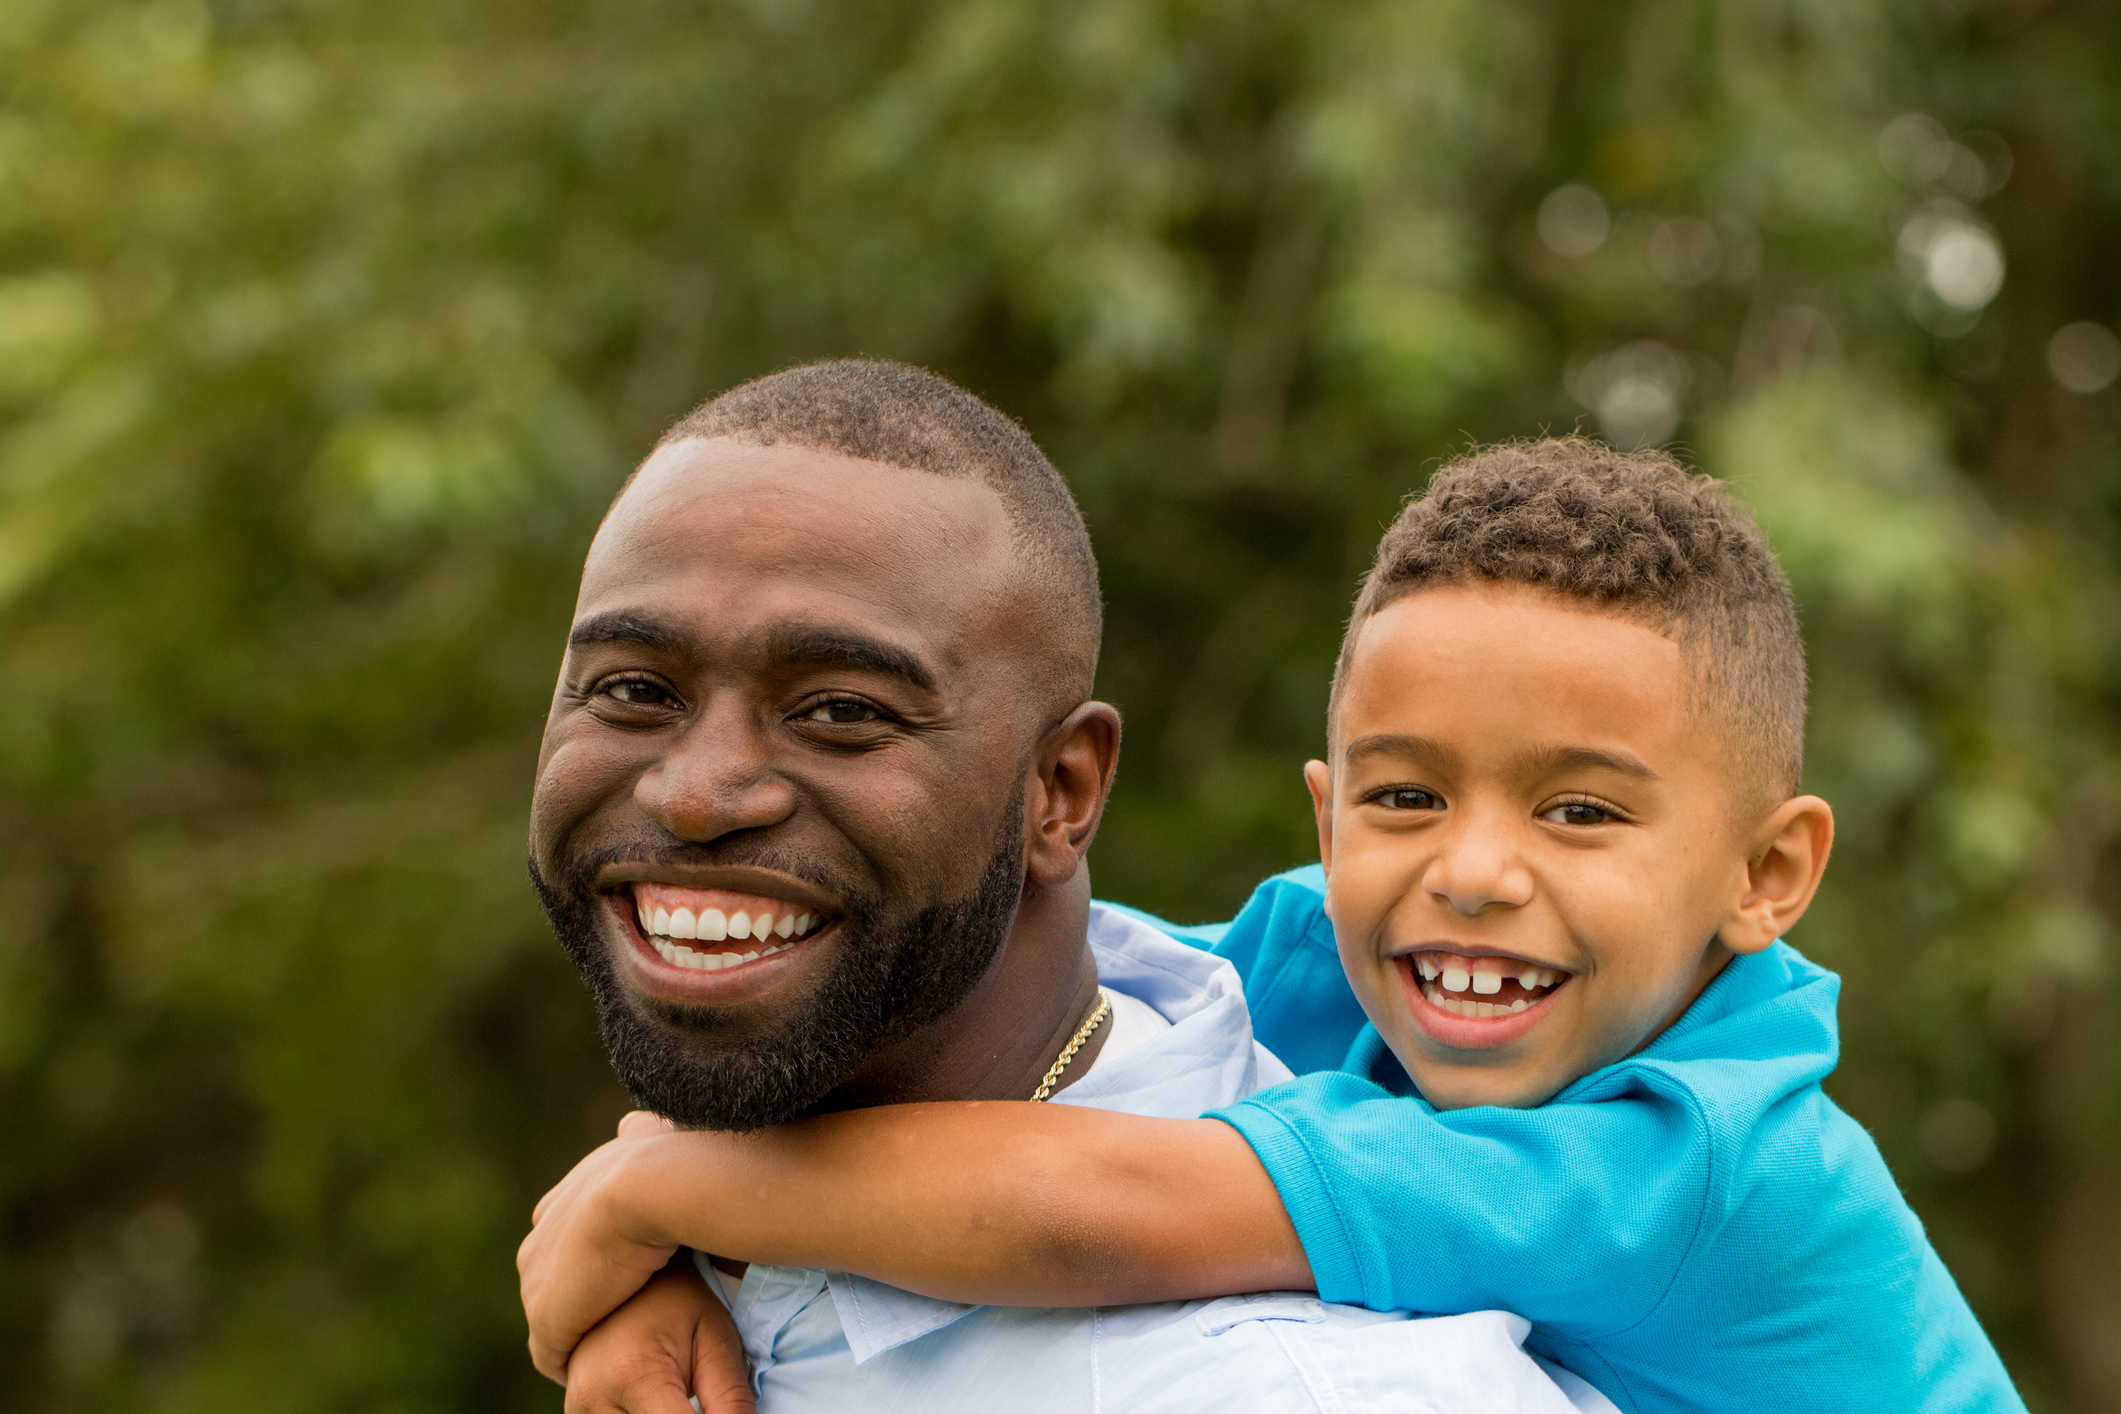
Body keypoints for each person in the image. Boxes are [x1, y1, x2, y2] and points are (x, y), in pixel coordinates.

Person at [520, 437, 2028, 1413]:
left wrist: (647, 1193)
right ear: (1326, 814)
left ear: (1767, 875)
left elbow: (1102, 1203)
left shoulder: (1692, 1156)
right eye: (1406, 796)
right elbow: (852, 976)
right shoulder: (1351, 957)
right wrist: (653, 1243)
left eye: (1580, 812)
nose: (1476, 871)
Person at [519, 360, 1610, 1413]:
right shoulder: (685, 1235)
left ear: (1061, 789)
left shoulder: (1287, 1385)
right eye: (632, 689)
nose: (697, 795)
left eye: (842, 710)